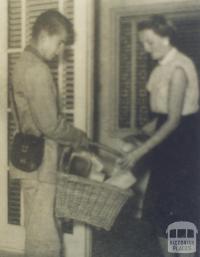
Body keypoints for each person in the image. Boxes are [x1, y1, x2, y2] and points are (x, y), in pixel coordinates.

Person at [119, 15, 200, 257]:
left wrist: (139, 151)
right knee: (161, 212)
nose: (145, 48)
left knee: (180, 214)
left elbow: (175, 120)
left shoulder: (178, 69)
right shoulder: (161, 69)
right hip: (167, 144)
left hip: (183, 147)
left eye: (150, 42)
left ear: (166, 38)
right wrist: (140, 134)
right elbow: (162, 117)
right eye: (143, 43)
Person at [11, 10, 89, 257]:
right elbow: (50, 126)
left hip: (28, 157)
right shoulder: (37, 70)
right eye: (59, 44)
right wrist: (79, 137)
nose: (59, 52)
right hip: (42, 161)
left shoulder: (22, 62)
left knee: (37, 230)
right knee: (45, 240)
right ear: (45, 35)